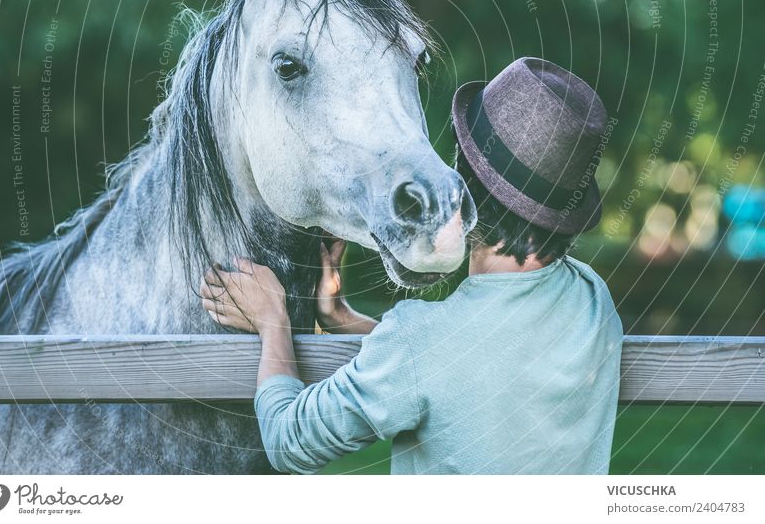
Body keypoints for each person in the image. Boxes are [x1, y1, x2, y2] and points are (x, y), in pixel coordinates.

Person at [201, 57, 623, 474]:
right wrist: (343, 318)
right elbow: (469, 367)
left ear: (465, 183)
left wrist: (272, 321)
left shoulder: (421, 340)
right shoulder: (592, 301)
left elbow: (290, 442)